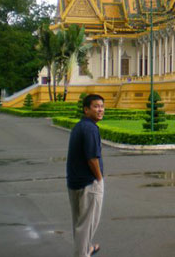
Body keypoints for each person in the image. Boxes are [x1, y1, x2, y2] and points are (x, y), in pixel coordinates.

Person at [66, 94, 105, 257]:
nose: (100, 110)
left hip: (75, 182)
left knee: (80, 223)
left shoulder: (80, 126)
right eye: (96, 106)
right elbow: (92, 158)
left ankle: (86, 249)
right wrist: (99, 178)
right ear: (86, 109)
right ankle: (82, 254)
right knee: (86, 225)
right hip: (88, 183)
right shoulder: (90, 128)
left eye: (102, 106)